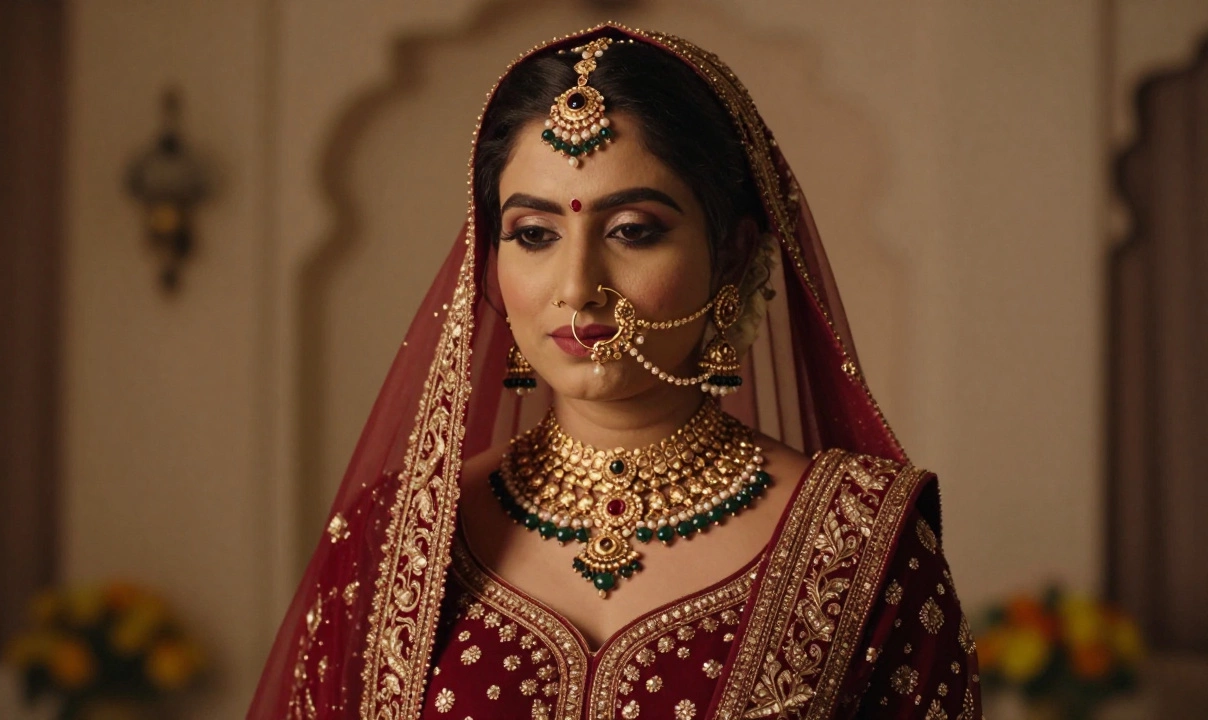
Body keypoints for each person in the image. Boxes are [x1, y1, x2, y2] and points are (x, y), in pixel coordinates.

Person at [248, 23, 982, 720]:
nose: (576, 286)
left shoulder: (861, 546)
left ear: (731, 251)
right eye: (533, 235)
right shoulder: (392, 544)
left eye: (632, 231)